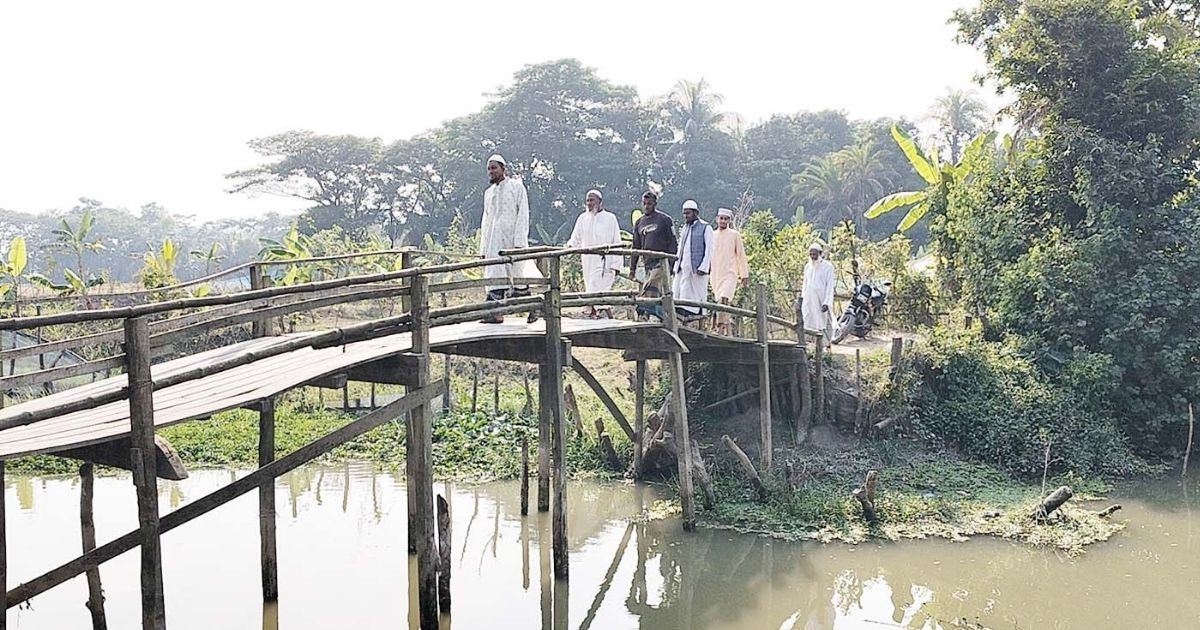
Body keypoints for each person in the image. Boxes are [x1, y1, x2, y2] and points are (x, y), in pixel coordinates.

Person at [478, 154, 541, 324]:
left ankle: (532, 308)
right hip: (493, 241)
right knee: (493, 273)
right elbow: (486, 219)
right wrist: (483, 248)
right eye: (489, 169)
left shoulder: (516, 187)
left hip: (513, 240)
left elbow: (523, 214)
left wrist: (519, 242)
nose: (491, 172)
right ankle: (495, 314)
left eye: (494, 168)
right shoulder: (488, 193)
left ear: (503, 169)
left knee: (518, 276)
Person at [565, 189, 623, 318]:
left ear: (600, 202)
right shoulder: (583, 218)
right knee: (592, 285)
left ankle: (594, 311)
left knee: (595, 284)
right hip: (588, 260)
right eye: (587, 200)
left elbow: (616, 240)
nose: (589, 203)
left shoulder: (610, 218)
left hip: (605, 261)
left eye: (592, 200)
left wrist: (617, 264)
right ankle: (603, 313)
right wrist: (569, 246)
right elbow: (576, 237)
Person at [629, 191, 677, 320]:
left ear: (655, 204)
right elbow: (636, 246)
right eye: (644, 204)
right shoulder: (639, 223)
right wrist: (632, 268)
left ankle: (644, 313)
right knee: (656, 291)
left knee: (651, 285)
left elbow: (672, 243)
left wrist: (671, 264)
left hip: (661, 263)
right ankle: (659, 316)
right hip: (647, 264)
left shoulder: (665, 220)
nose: (646, 207)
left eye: (649, 204)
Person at [672, 199, 714, 322]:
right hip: (683, 267)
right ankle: (682, 318)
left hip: (697, 269)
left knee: (696, 295)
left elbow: (709, 250)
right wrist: (676, 266)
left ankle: (695, 318)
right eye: (684, 213)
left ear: (695, 213)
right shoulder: (685, 228)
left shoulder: (706, 227)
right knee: (679, 292)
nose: (685, 216)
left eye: (688, 213)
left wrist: (703, 267)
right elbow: (680, 248)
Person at [710, 207, 749, 335]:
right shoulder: (712, 235)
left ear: (729, 221)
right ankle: (727, 330)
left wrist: (744, 275)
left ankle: (719, 328)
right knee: (721, 302)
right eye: (721, 218)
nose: (723, 221)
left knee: (724, 297)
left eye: (726, 219)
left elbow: (741, 255)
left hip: (730, 273)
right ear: (717, 219)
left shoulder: (734, 235)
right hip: (716, 273)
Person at [801, 242, 835, 347]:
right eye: (811, 254)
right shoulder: (808, 267)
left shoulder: (828, 267)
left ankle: (826, 345)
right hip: (809, 300)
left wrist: (826, 302)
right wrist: (803, 298)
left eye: (814, 254)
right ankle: (810, 345)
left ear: (820, 254)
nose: (812, 257)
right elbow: (805, 284)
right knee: (808, 320)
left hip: (822, 300)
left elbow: (830, 286)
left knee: (824, 322)